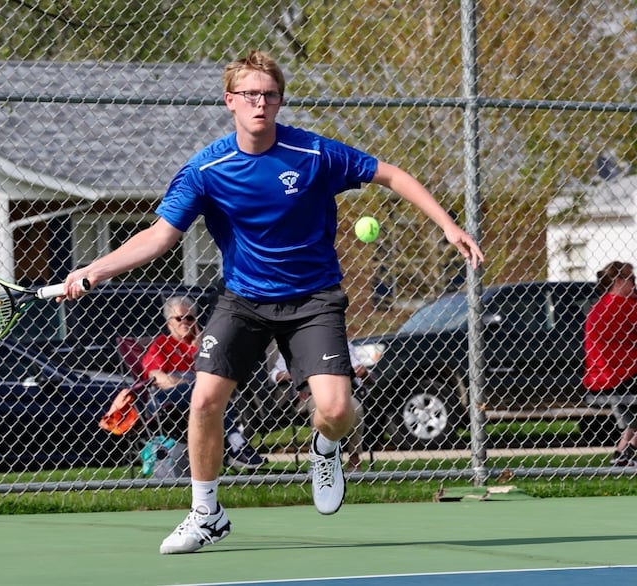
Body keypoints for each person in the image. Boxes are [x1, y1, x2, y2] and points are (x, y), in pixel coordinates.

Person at [58, 50, 483, 555]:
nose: (260, 103)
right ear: (230, 101)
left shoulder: (314, 154)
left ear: (280, 101)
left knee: (337, 410)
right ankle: (205, 513)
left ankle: (325, 447)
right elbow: (159, 237)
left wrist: (447, 224)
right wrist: (95, 269)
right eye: (250, 95)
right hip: (244, 300)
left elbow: (390, 174)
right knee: (204, 400)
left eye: (270, 94)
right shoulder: (206, 169)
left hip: (314, 300)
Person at [141, 295, 265, 470]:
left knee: (212, 394)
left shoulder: (203, 344)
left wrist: (201, 350)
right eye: (179, 318)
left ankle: (233, 445)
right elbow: (156, 376)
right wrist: (189, 384)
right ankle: (236, 444)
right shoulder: (162, 344)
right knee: (210, 392)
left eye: (190, 317)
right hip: (167, 400)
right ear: (169, 322)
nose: (185, 322)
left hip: (198, 397)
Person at [268, 343, 369, 472]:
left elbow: (361, 373)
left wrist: (363, 372)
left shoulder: (342, 343)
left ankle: (354, 460)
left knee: (356, 407)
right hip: (308, 397)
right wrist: (299, 377)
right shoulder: (293, 344)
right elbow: (275, 374)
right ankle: (320, 460)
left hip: (339, 395)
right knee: (318, 404)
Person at [583, 261, 637, 467]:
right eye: (631, 280)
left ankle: (621, 453)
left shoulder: (599, 306)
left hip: (600, 378)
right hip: (622, 375)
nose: (634, 285)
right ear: (618, 281)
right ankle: (628, 452)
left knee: (633, 419)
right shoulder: (626, 306)